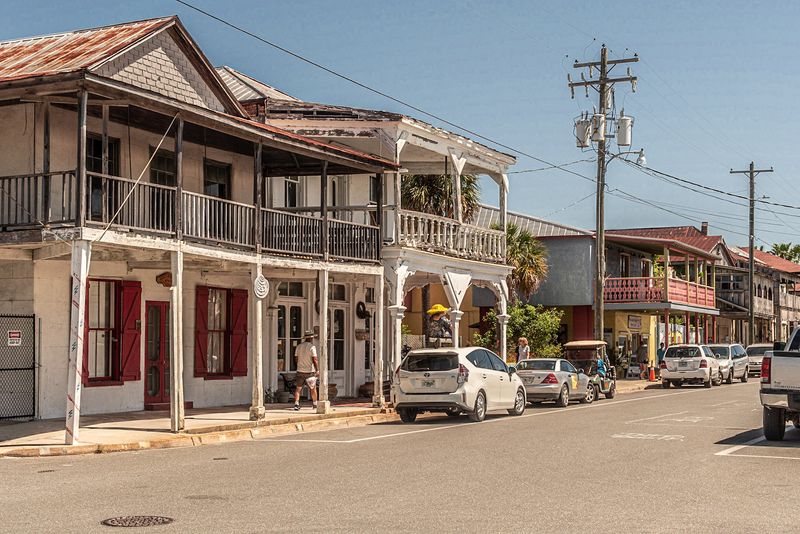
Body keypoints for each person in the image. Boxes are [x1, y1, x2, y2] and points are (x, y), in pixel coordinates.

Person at [293, 330, 319, 411]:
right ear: (311, 338)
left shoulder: (299, 346)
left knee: (298, 388)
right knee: (313, 388)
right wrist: (317, 370)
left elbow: (296, 359)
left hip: (300, 370)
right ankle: (315, 404)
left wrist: (300, 364)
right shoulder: (312, 347)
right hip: (310, 372)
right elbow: (315, 359)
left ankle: (296, 404)